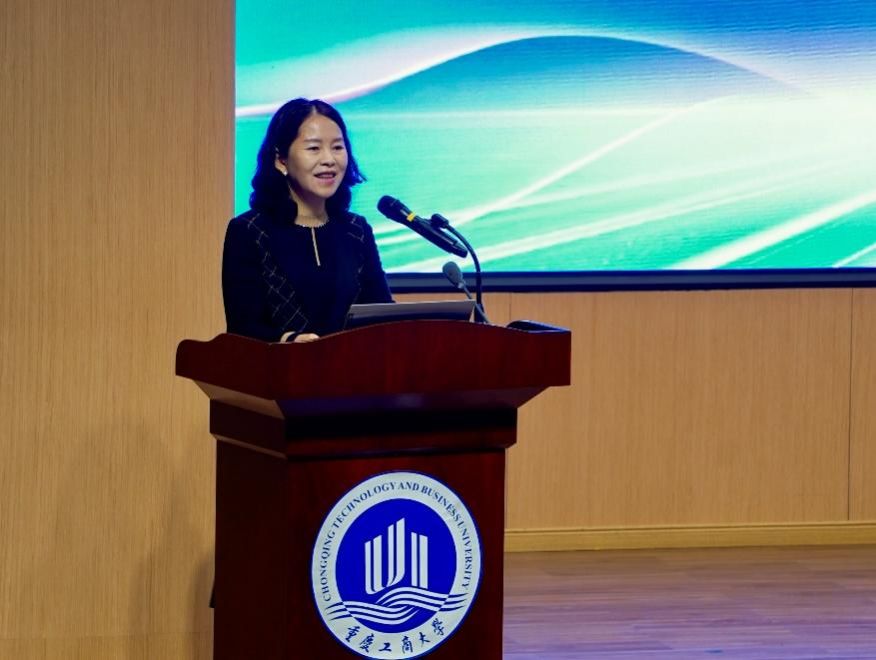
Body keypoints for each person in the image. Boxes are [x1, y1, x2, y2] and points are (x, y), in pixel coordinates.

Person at [222, 98, 392, 342]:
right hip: (283, 365)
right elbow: (243, 328)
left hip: (353, 365)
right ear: (281, 160)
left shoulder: (357, 230)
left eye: (337, 147)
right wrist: (289, 340)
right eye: (314, 148)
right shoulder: (250, 231)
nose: (329, 159)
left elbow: (382, 313)